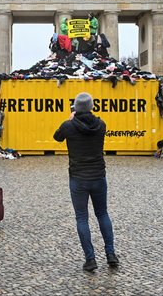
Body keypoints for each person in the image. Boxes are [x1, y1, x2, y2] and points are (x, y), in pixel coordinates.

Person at [53, 92, 118, 272]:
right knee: (103, 214)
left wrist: (69, 119)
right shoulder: (101, 125)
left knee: (82, 218)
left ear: (76, 107)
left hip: (78, 178)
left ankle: (90, 260)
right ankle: (111, 254)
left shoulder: (68, 126)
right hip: (99, 176)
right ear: (91, 106)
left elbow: (56, 137)